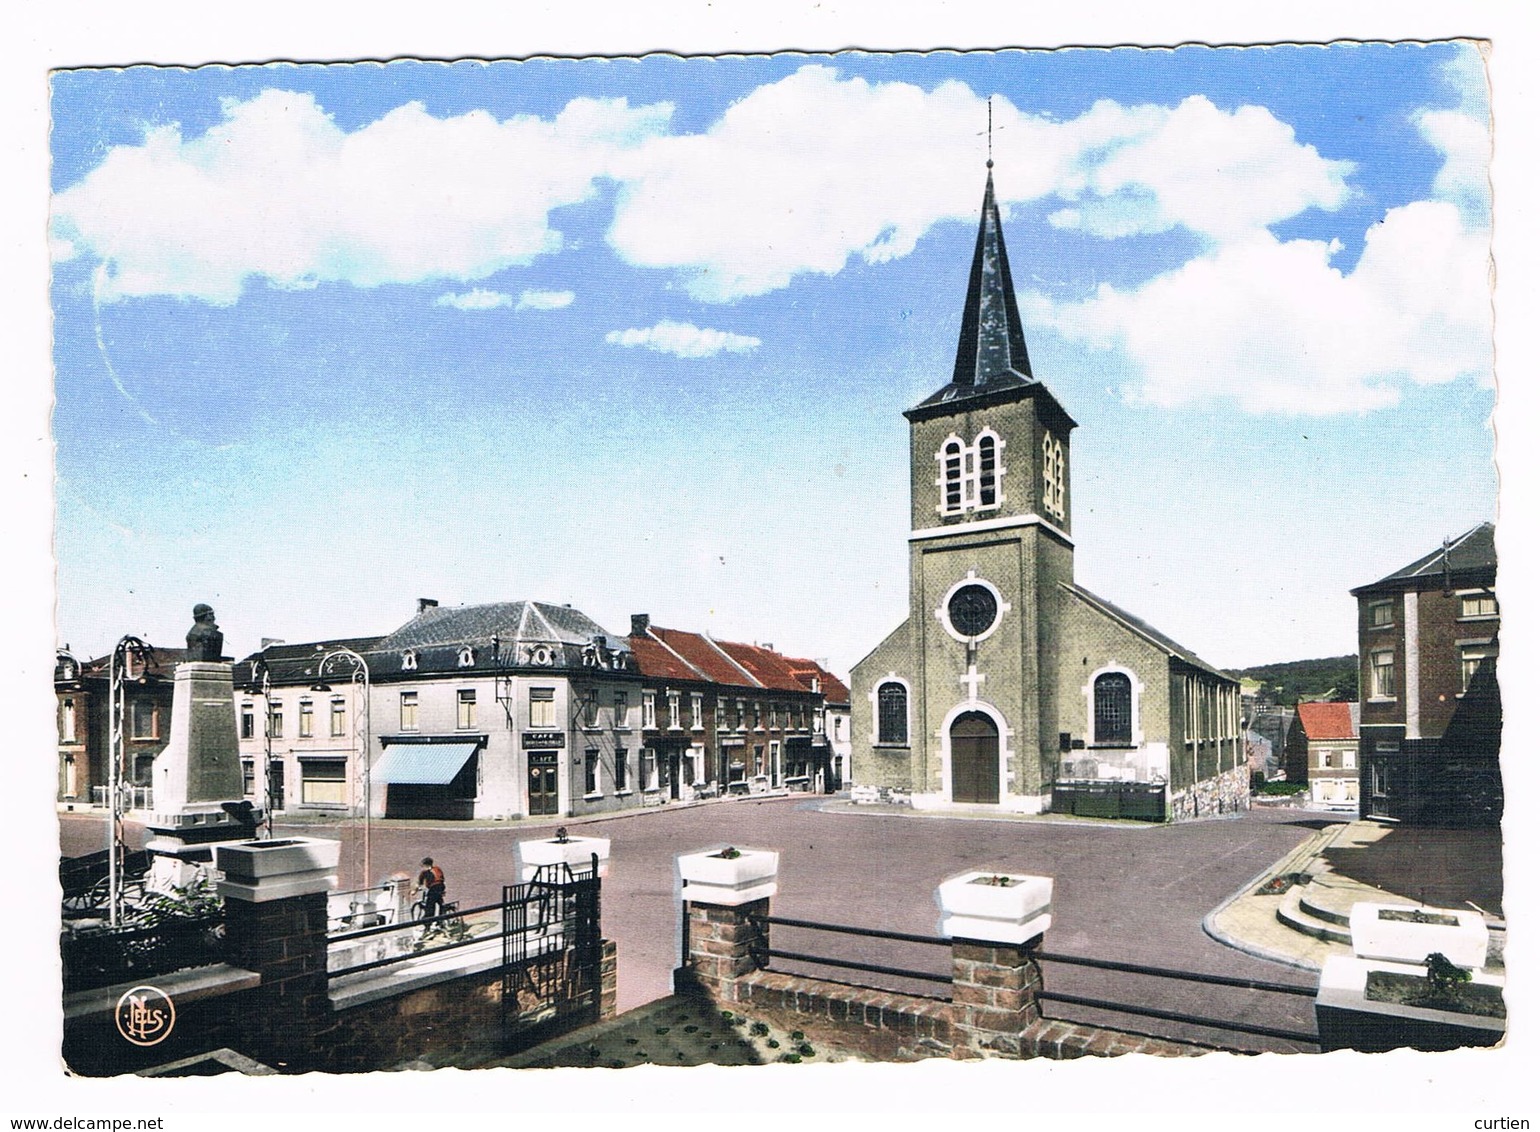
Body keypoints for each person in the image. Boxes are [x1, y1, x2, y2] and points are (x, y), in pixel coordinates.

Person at [415, 857, 446, 921]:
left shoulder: (424, 872)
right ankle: (440, 921)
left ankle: (428, 923)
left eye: (423, 866)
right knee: (439, 902)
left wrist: (415, 890)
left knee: (430, 905)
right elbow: (442, 878)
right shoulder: (437, 869)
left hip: (434, 888)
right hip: (441, 887)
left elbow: (419, 883)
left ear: (426, 865)